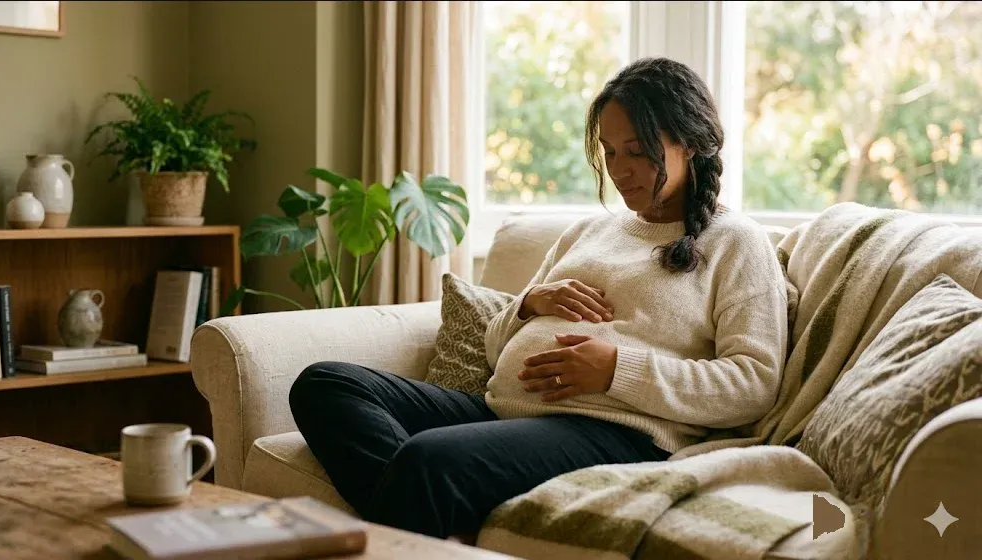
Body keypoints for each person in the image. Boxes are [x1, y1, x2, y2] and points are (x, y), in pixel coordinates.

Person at [288, 57, 789, 541]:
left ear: (690, 142)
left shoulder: (736, 242)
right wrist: (531, 304)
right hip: (502, 413)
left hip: (612, 432)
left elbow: (753, 382)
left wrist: (616, 370)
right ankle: (426, 513)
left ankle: (424, 501)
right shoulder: (588, 232)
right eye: (609, 151)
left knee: (427, 458)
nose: (619, 169)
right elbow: (493, 349)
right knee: (325, 384)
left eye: (637, 151)